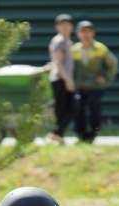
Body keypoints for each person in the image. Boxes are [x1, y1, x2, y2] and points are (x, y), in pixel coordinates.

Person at [71, 20, 118, 144]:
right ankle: (80, 135)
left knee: (94, 109)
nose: (86, 34)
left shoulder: (100, 49)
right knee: (78, 108)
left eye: (88, 31)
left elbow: (113, 64)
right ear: (78, 34)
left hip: (96, 87)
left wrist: (106, 78)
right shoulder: (74, 50)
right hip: (79, 86)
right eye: (82, 31)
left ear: (93, 33)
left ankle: (93, 134)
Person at [46, 14, 76, 142]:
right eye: (62, 25)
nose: (65, 27)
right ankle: (56, 134)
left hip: (65, 79)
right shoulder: (59, 41)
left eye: (67, 25)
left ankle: (57, 134)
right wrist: (68, 80)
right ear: (57, 27)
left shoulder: (68, 41)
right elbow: (58, 63)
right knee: (66, 108)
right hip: (60, 79)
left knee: (67, 108)